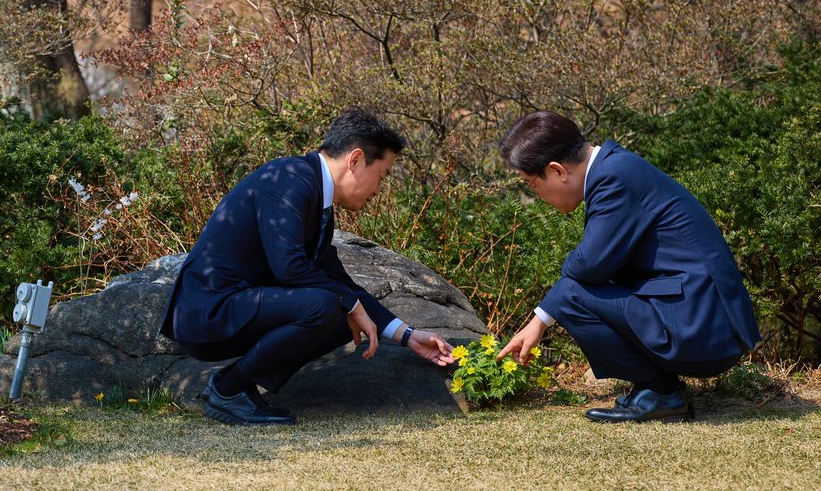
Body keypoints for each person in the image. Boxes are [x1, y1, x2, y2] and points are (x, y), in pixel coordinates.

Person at [160, 108, 455, 426]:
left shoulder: (315, 195)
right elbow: (290, 267)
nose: (378, 190)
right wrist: (350, 303)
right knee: (329, 304)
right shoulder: (289, 179)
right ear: (355, 159)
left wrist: (407, 335)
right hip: (209, 311)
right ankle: (229, 391)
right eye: (381, 175)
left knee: (342, 311)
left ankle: (233, 388)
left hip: (241, 307)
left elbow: (338, 281)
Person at [495, 111, 761, 423]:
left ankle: (659, 392)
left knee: (570, 293)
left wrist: (539, 319)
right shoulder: (615, 167)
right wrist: (541, 320)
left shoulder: (613, 178)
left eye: (532, 185)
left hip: (699, 326)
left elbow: (589, 265)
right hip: (698, 316)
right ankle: (659, 392)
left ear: (557, 170)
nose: (536, 195)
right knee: (570, 291)